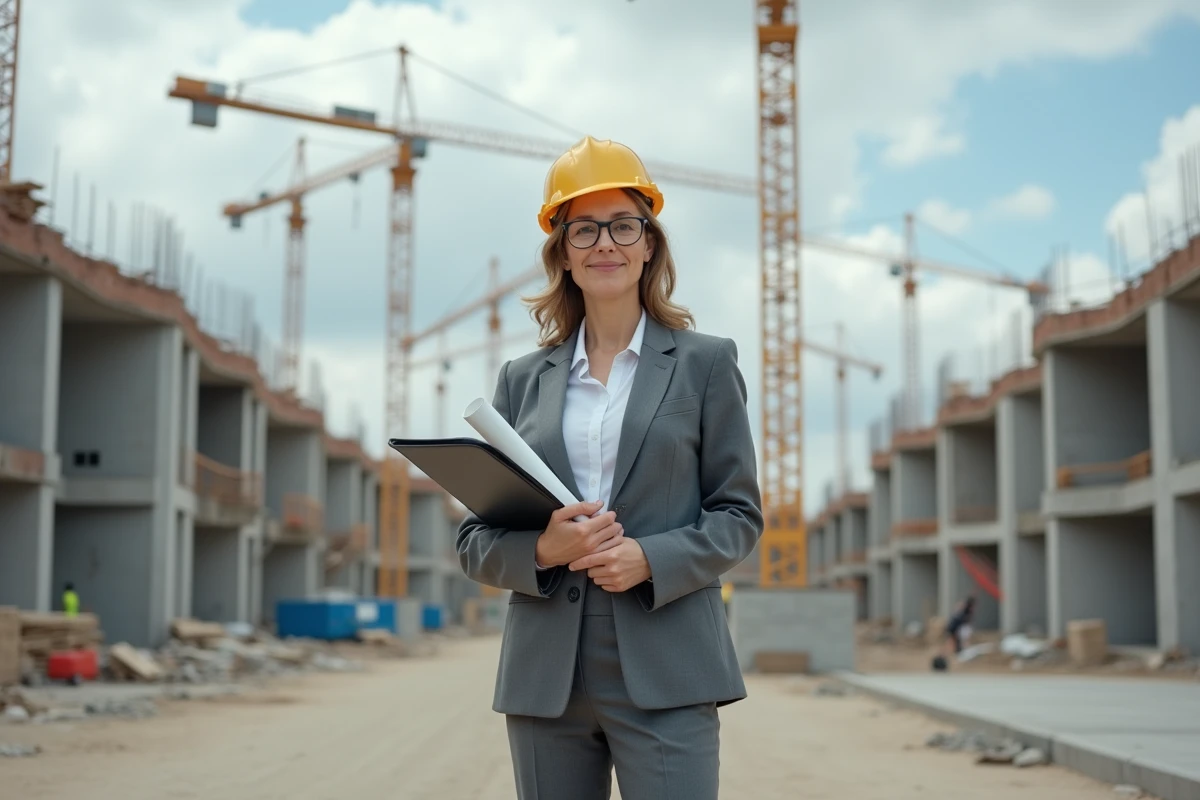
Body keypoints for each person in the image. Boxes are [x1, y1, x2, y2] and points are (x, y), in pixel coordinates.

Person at [456, 135, 763, 800]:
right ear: (562, 252)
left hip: (669, 660)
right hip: (547, 675)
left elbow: (739, 516)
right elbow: (474, 541)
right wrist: (543, 546)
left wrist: (650, 558)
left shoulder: (705, 364)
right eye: (584, 229)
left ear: (649, 243)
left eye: (624, 226)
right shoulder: (521, 381)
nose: (605, 244)